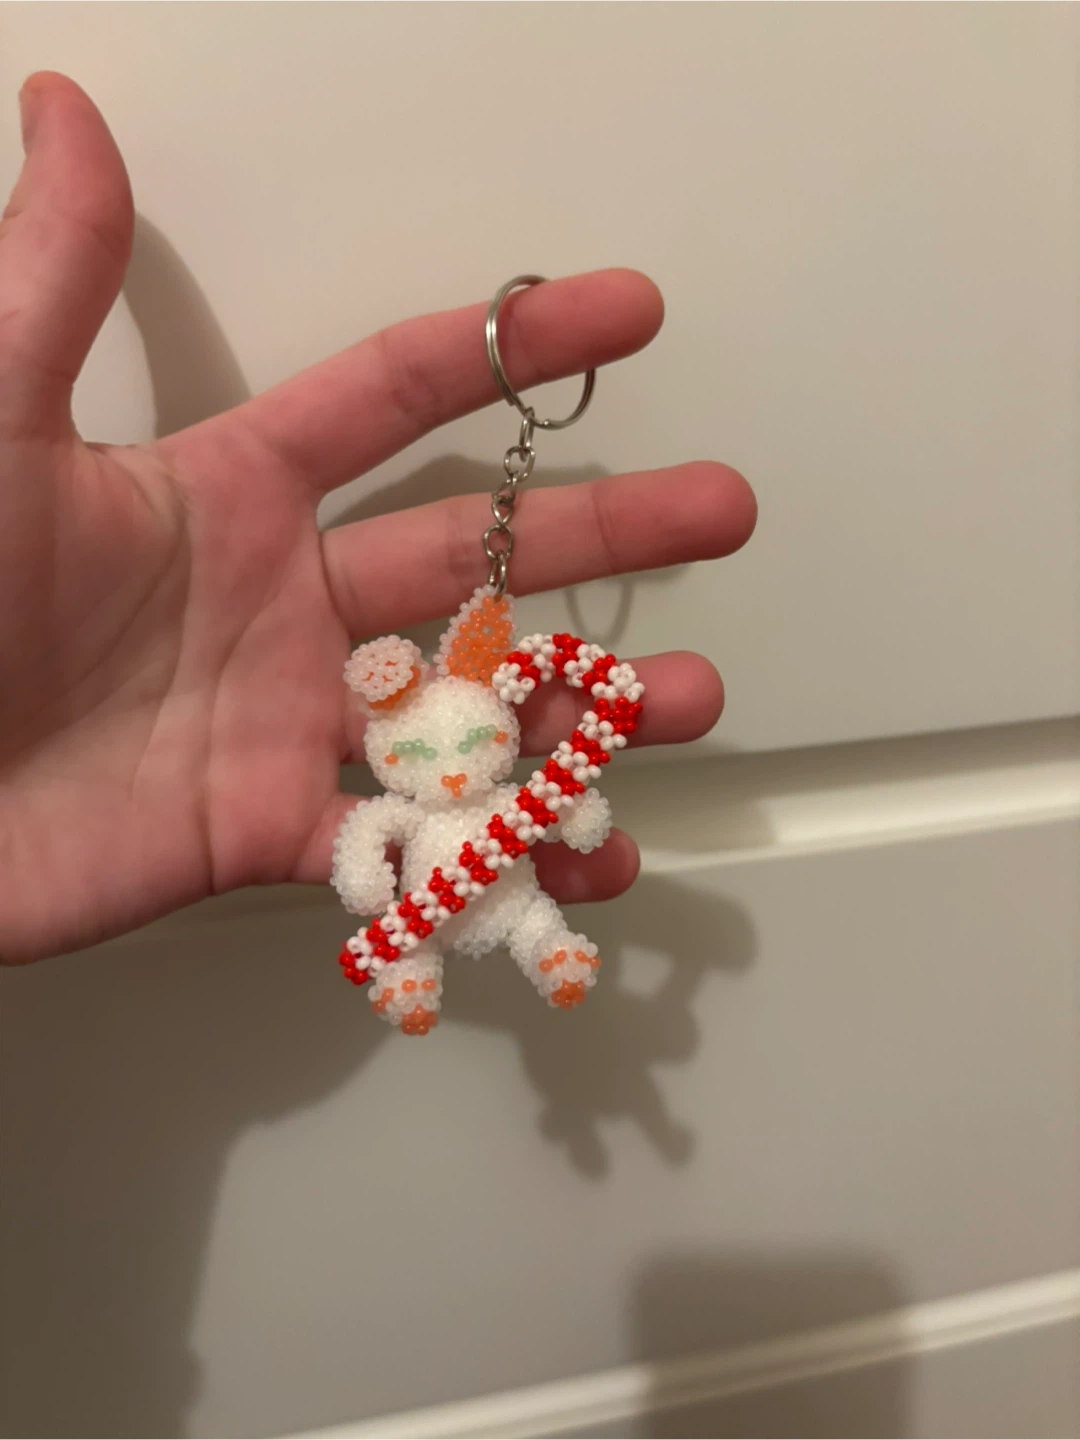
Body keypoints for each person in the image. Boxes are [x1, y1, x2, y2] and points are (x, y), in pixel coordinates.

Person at [0, 72, 756, 966]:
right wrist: (374, 881)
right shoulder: (418, 802)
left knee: (528, 919)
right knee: (416, 940)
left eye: (471, 744)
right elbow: (371, 845)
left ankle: (532, 951)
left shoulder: (505, 798)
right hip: (437, 894)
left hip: (494, 884)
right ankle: (413, 972)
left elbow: (568, 807)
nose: (451, 767)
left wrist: (572, 811)